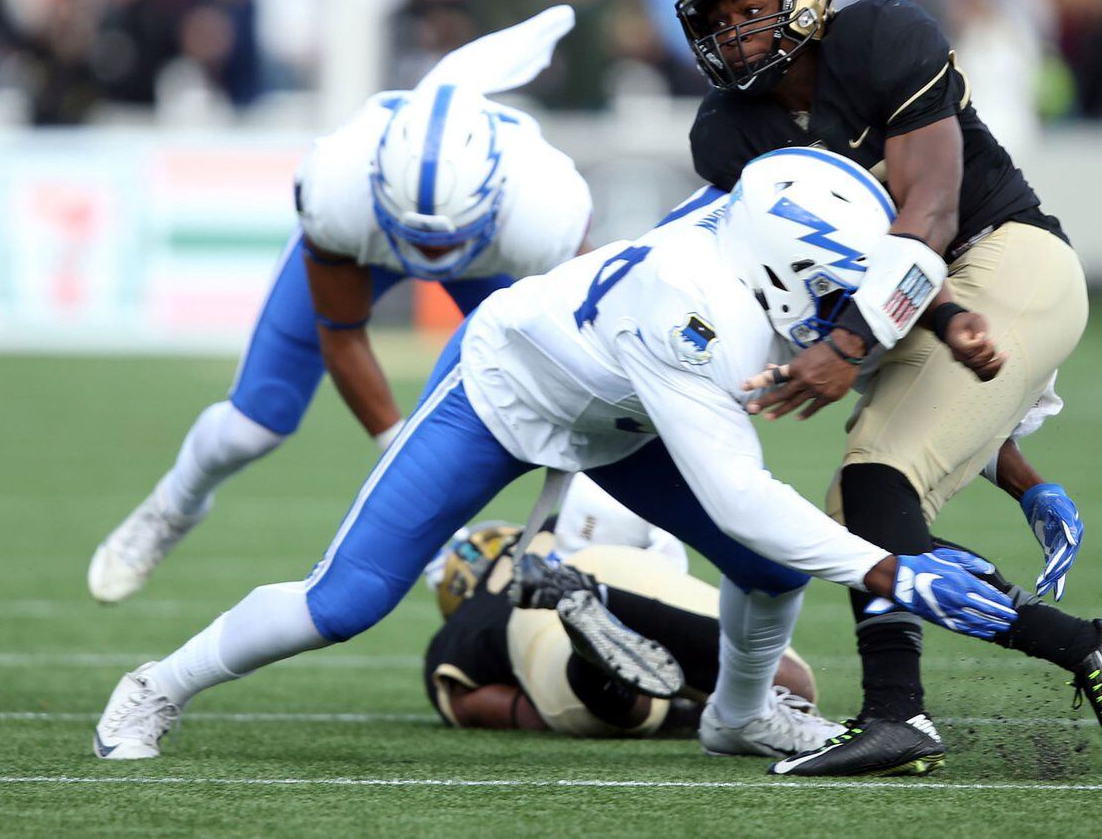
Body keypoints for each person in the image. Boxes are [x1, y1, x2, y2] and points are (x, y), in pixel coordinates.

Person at [90, 149, 1027, 763]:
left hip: (617, 412)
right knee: (346, 600)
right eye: (830, 291)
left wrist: (969, 375)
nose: (841, 318)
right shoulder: (696, 311)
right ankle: (154, 687)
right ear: (783, 265)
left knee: (768, 565)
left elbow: (890, 321)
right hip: (501, 393)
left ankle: (737, 716)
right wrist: (887, 570)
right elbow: (739, 494)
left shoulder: (742, 236)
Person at [673, 0, 1102, 776]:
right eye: (715, 21)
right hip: (920, 309)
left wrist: (847, 345)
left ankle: (910, 713)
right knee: (863, 515)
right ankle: (1075, 650)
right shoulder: (726, 134)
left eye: (748, 6)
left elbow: (926, 218)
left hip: (1005, 256)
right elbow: (844, 288)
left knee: (869, 489)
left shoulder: (882, 35)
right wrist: (1020, 476)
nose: (735, 34)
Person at [87, 7, 594, 603]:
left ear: (496, 198)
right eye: (416, 239)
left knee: (557, 385)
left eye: (443, 239)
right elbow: (343, 335)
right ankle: (172, 507)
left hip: (487, 258)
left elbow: (580, 360)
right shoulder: (337, 186)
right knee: (252, 426)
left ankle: (605, 551)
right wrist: (406, 462)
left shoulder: (547, 211)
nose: (428, 256)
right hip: (368, 247)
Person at [420, 482, 827, 743]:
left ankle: (590, 663)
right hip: (616, 565)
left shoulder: (461, 627)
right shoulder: (552, 527)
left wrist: (673, 720)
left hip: (531, 616)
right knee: (796, 693)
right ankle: (603, 600)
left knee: (624, 715)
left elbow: (482, 704)